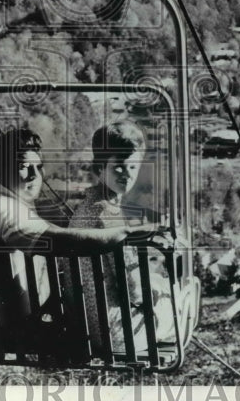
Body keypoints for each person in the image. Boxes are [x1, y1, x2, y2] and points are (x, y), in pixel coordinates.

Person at [0, 128, 154, 358]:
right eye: (24, 166)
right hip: (17, 330)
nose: (34, 176)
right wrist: (123, 233)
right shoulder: (4, 210)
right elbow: (57, 241)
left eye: (38, 167)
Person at [69, 120, 178, 355]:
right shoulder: (110, 217)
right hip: (118, 335)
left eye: (132, 167)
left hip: (84, 329)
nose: (127, 175)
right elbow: (136, 292)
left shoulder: (86, 208)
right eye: (118, 167)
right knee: (182, 296)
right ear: (99, 169)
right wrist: (161, 290)